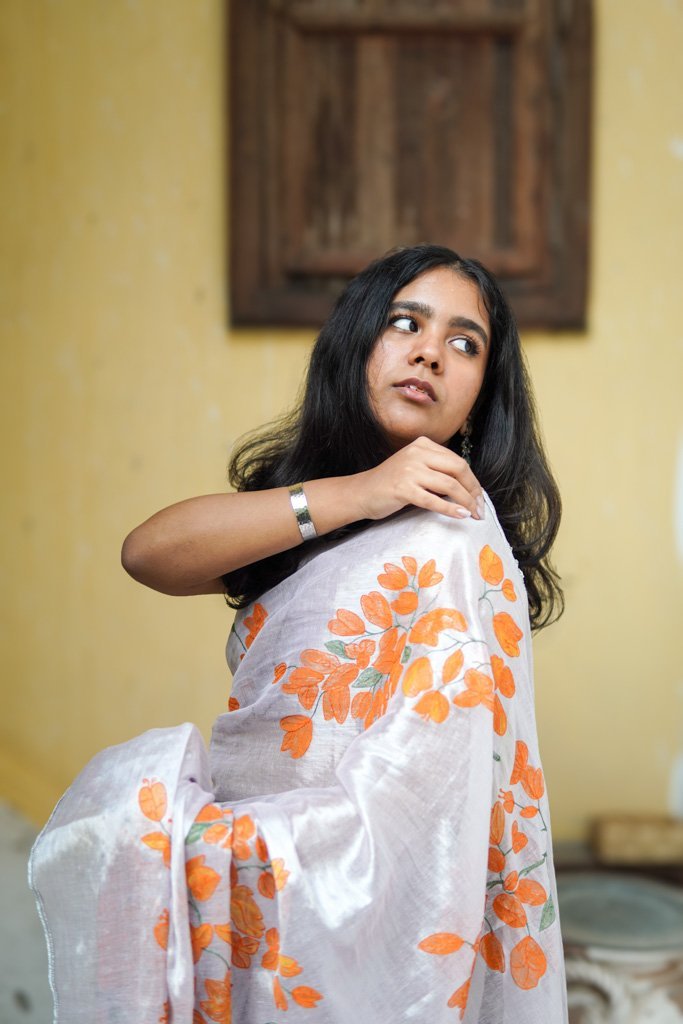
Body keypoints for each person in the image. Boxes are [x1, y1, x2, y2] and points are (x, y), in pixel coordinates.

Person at [30, 245, 567, 1023]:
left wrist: (218, 847)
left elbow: (420, 808)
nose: (429, 351)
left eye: (464, 343)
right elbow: (148, 553)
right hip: (251, 910)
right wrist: (358, 493)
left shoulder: (453, 541)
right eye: (404, 323)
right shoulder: (320, 516)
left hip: (321, 910)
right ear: (354, 344)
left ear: (480, 398)